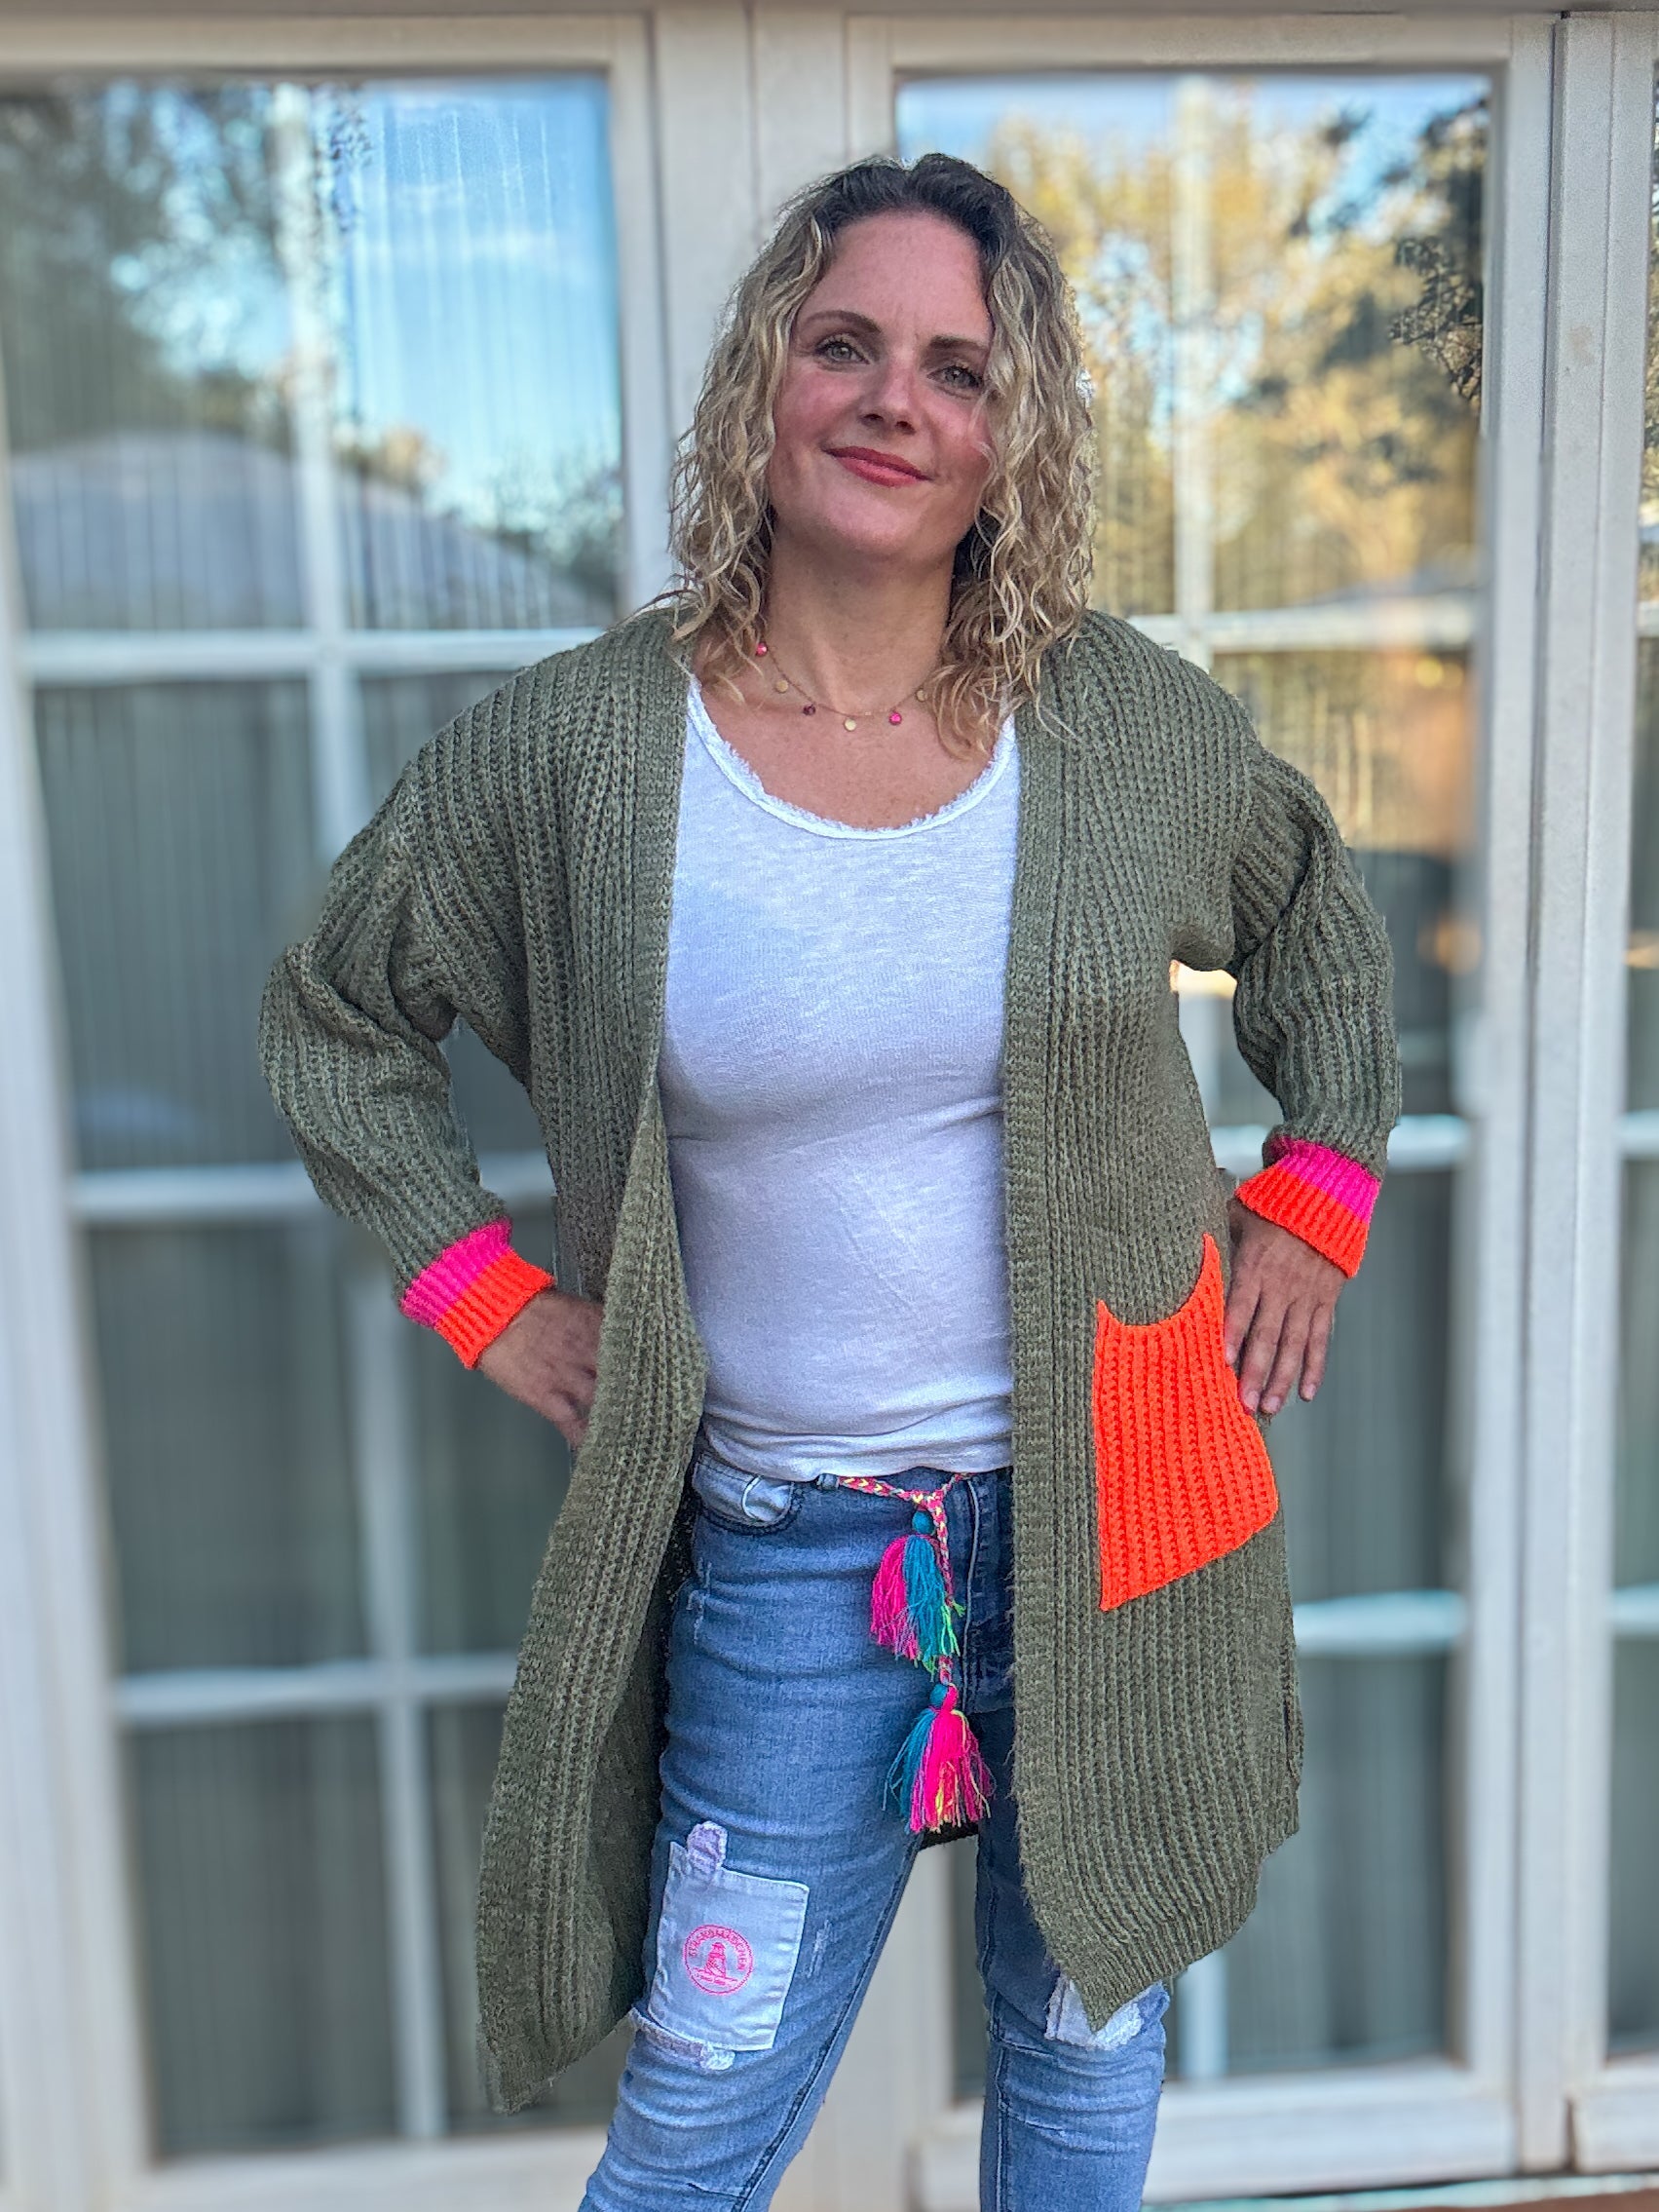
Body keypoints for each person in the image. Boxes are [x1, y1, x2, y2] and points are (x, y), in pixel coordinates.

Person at [260, 152, 1399, 2211]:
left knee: (1087, 2040)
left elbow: (1315, 923)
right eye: (845, 343)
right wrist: (487, 1298)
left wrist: (1313, 1198)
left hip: (1123, 1510)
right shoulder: (585, 755)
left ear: (1009, 433)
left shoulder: (1119, 723)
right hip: (799, 1553)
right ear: (762, 386)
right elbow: (338, 1010)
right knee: (698, 2119)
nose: (897, 402)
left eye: (958, 369)